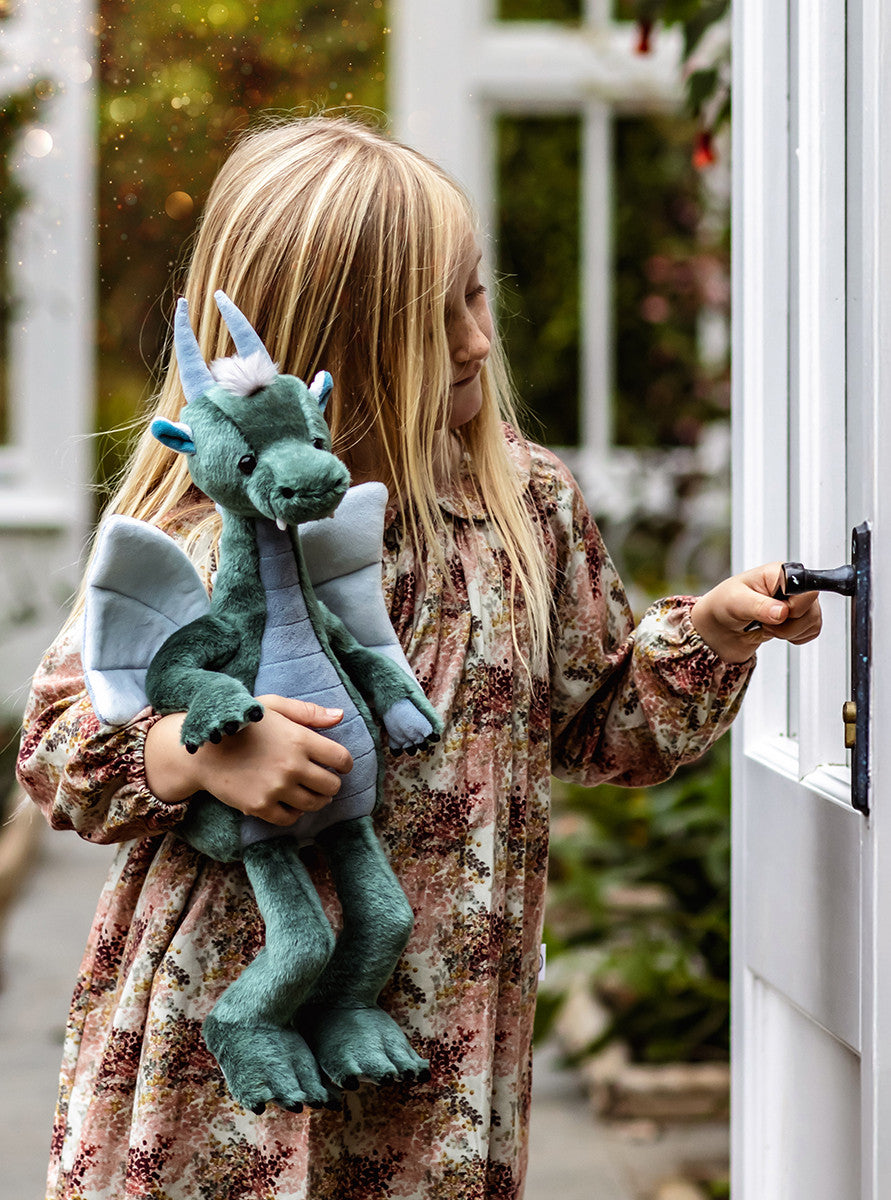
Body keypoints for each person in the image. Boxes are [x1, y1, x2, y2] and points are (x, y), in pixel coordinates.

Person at [16, 114, 821, 1200]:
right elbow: (59, 745)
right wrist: (194, 755)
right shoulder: (212, 535)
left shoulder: (523, 508)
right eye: (438, 319)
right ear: (328, 345)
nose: (481, 340)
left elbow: (594, 729)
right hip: (221, 1085)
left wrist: (713, 634)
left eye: (476, 296)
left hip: (436, 1061)